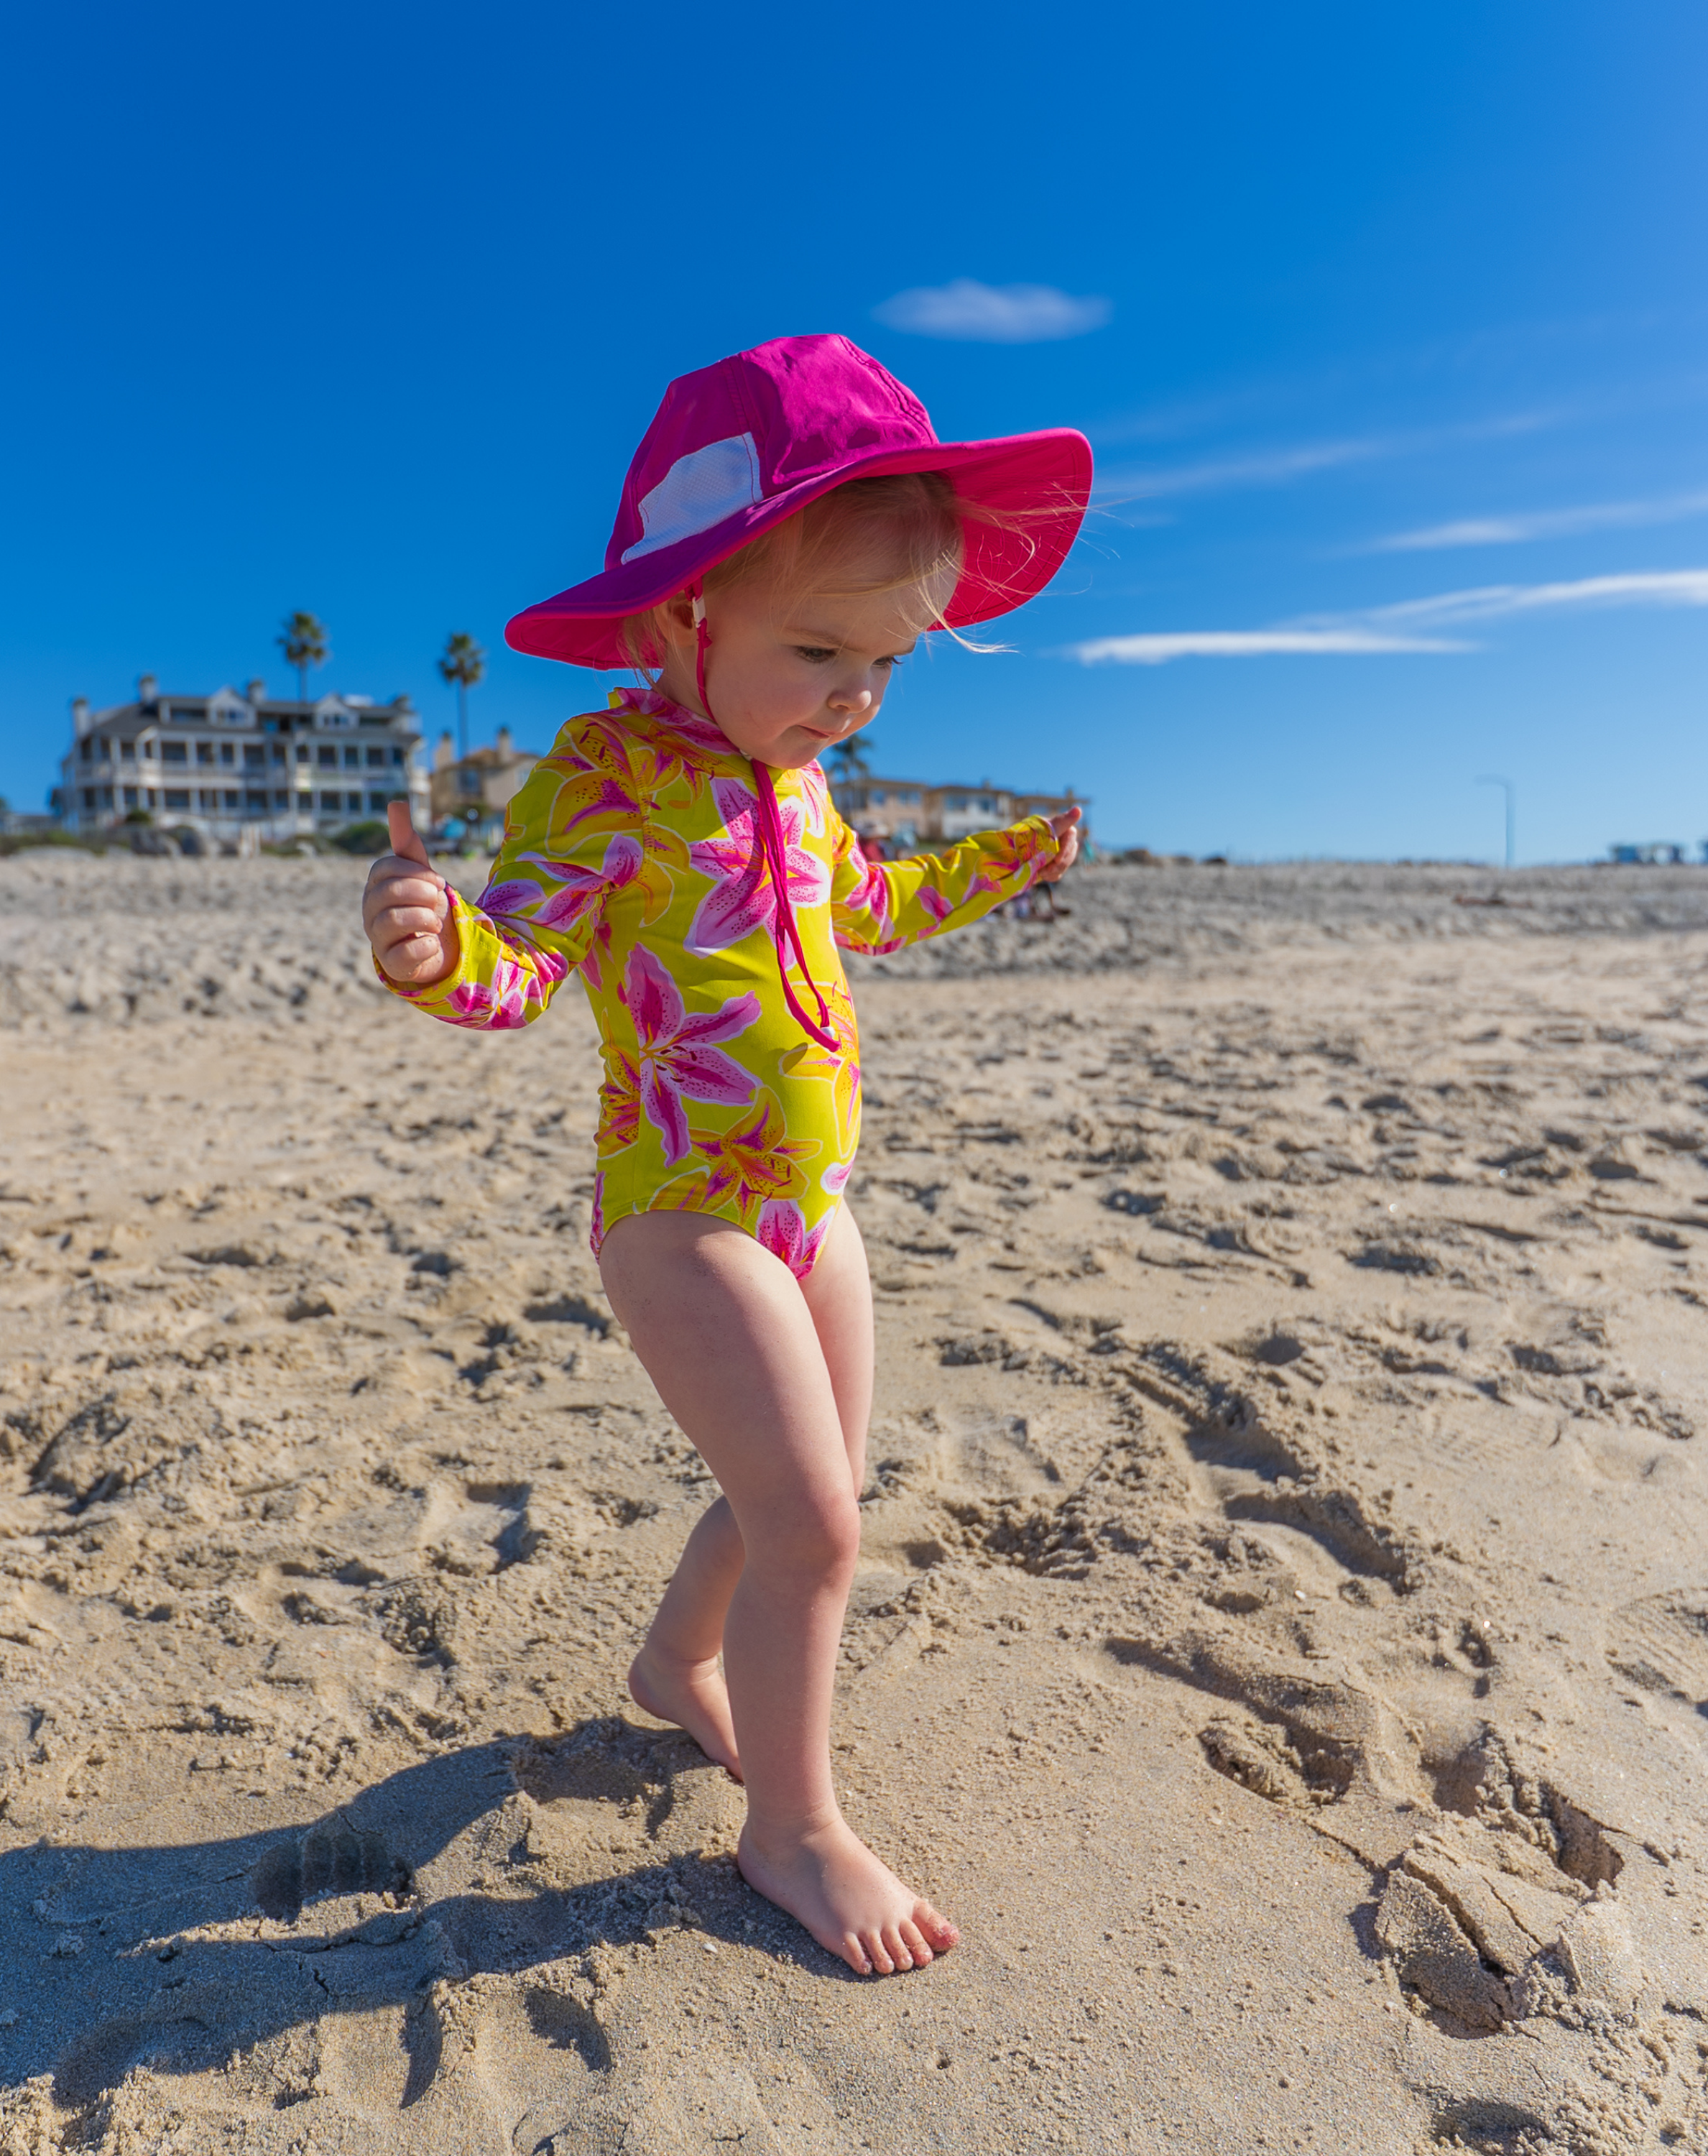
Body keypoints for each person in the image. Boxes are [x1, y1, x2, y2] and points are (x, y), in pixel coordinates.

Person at [360, 336, 1089, 1976]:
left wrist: (1003, 862)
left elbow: (872, 908)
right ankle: (794, 1833)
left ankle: (672, 1666)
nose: (854, 695)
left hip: (811, 1204)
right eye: (821, 648)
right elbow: (519, 970)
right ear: (684, 618)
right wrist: (428, 952)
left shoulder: (809, 791)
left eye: (888, 665)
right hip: (680, 1210)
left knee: (794, 1496)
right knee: (816, 1525)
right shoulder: (602, 779)